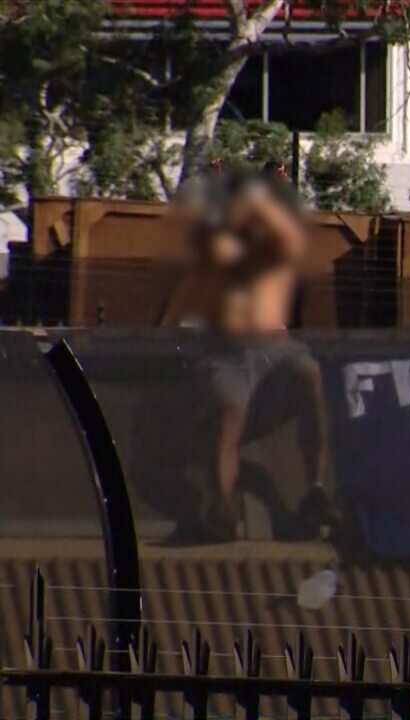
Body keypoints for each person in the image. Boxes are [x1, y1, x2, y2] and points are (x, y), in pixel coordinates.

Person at [150, 169, 333, 543]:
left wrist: (261, 194)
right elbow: (174, 315)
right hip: (227, 355)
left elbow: (286, 232)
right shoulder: (216, 253)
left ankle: (316, 489)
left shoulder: (275, 250)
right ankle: (222, 511)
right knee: (229, 406)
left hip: (277, 351)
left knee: (310, 373)